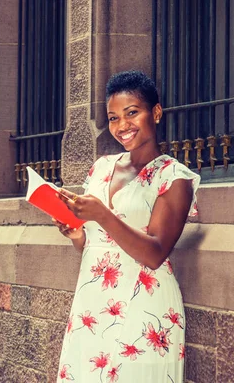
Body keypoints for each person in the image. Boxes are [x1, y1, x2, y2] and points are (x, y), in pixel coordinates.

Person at [54, 70, 199, 383]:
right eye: (113, 117)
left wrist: (103, 215)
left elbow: (156, 253)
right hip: (92, 306)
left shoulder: (174, 178)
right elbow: (94, 244)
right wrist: (78, 234)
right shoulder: (101, 167)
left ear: (156, 113)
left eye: (132, 113)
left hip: (142, 309)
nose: (122, 126)